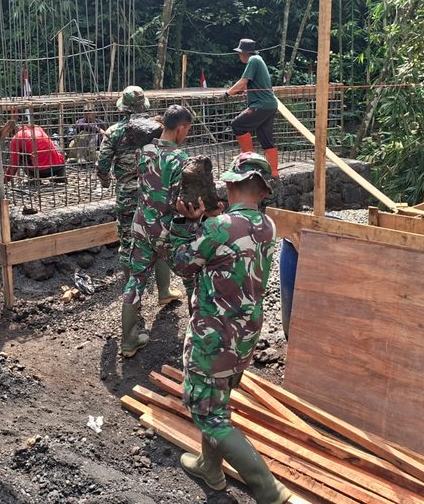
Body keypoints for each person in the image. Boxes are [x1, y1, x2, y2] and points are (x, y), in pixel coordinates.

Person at [169, 152, 292, 504]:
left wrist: (184, 221)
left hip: (214, 334)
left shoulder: (219, 227)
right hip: (244, 335)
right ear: (263, 190)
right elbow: (228, 241)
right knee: (217, 399)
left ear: (232, 183)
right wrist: (208, 219)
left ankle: (269, 490)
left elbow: (182, 263)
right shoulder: (266, 226)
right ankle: (211, 467)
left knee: (207, 413)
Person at [121, 105, 193, 357]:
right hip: (166, 231)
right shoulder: (180, 160)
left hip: (141, 226)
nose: (186, 135)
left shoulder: (145, 150)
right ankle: (197, 337)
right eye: (187, 130)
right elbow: (179, 202)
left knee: (136, 280)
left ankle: (129, 341)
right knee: (192, 277)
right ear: (180, 128)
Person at [96, 86, 173, 293]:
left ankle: (134, 295)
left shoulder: (114, 132)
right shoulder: (159, 128)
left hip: (127, 194)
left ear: (124, 108)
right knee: (160, 238)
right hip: (154, 191)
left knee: (128, 240)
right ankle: (164, 292)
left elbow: (102, 164)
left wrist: (105, 181)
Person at [222, 39, 279, 177]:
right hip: (270, 105)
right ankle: (273, 171)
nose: (239, 56)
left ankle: (249, 162)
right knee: (265, 138)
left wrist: (227, 93)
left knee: (238, 124)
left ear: (244, 53)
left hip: (261, 105)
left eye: (239, 53)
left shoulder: (253, 60)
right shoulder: (258, 59)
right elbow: (251, 84)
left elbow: (243, 81)